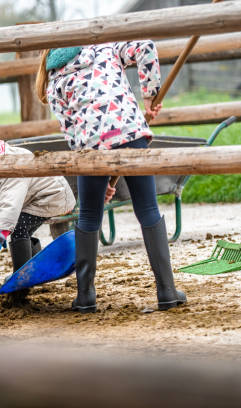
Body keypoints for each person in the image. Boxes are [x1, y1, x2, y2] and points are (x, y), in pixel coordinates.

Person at [35, 41, 187, 312]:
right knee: (148, 209)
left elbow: (71, 134)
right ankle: (166, 291)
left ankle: (85, 296)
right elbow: (146, 47)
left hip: (90, 149)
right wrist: (149, 95)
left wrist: (96, 178)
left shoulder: (54, 81)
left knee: (89, 216)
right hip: (131, 134)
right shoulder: (105, 49)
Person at [0, 139, 115, 278]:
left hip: (53, 197)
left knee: (19, 227)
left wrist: (1, 233)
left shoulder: (7, 170)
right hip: (36, 199)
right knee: (17, 227)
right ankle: (34, 266)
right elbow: (1, 206)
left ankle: (21, 276)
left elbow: (11, 206)